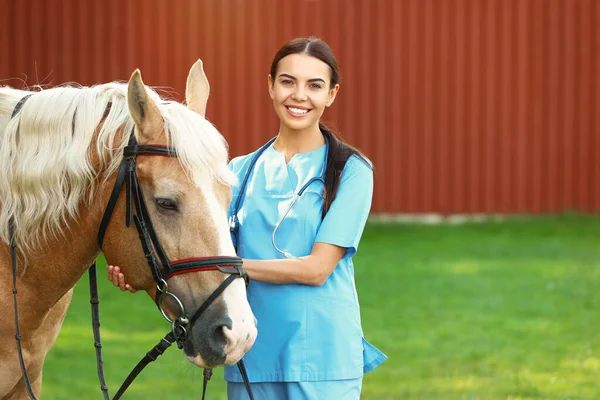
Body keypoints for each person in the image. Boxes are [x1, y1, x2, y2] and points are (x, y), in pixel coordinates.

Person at [107, 36, 386, 400]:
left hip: (323, 361)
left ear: (331, 94)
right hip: (248, 357)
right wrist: (144, 276)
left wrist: (231, 265)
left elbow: (317, 269)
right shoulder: (237, 173)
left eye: (314, 85)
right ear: (270, 85)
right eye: (288, 82)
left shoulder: (351, 171)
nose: (299, 95)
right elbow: (203, 266)